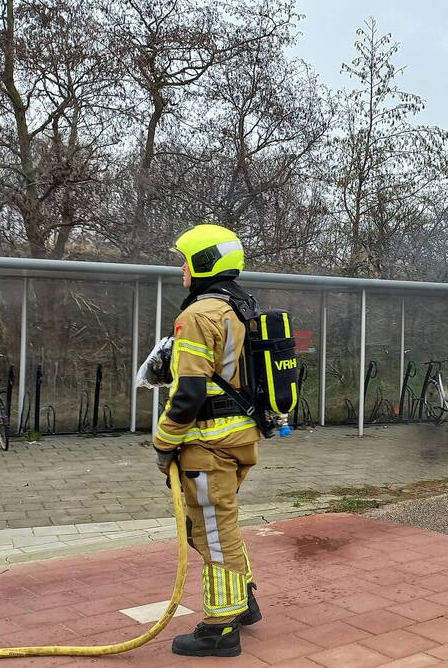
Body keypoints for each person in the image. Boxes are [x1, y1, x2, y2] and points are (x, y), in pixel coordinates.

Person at [153, 224, 262, 658]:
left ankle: (220, 628)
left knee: (213, 532)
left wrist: (164, 444)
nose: (181, 267)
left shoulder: (198, 315)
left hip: (207, 444)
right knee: (221, 525)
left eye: (186, 259)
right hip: (237, 438)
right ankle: (245, 602)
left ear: (203, 263)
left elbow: (189, 394)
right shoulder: (238, 307)